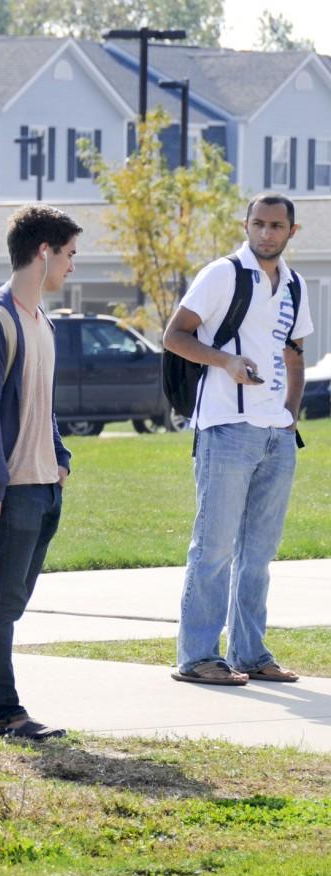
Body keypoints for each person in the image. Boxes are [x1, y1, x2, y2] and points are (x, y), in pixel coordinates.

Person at [163, 192, 312, 686]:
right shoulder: (222, 274)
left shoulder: (293, 284)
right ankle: (198, 656)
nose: (266, 233)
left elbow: (295, 352)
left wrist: (289, 415)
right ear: (246, 225)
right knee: (214, 548)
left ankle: (249, 653)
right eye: (259, 223)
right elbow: (175, 335)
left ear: (292, 231)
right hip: (225, 428)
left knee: (259, 554)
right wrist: (225, 362)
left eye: (276, 226)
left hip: (276, 437)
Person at [0, 205, 81, 741]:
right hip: (10, 490)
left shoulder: (42, 322)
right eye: (69, 255)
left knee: (10, 603)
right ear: (43, 252)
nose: (71, 268)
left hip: (42, 485)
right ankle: (2, 713)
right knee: (0, 602)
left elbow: (42, 403)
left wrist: (59, 457)